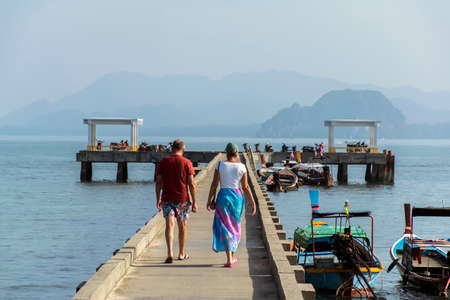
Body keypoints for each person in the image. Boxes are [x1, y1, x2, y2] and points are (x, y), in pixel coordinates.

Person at [206, 143, 256, 268]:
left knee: (223, 226)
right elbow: (245, 186)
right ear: (237, 153)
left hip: (223, 196)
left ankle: (229, 257)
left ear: (226, 153)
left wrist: (209, 199)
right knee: (235, 226)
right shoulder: (242, 167)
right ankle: (232, 257)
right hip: (237, 198)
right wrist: (253, 202)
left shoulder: (220, 165)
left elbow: (214, 184)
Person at [155, 139, 197, 263]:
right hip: (182, 199)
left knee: (169, 225)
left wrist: (158, 199)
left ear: (172, 149)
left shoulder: (163, 162)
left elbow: (158, 183)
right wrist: (194, 201)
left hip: (167, 198)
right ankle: (181, 253)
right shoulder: (187, 162)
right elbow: (192, 184)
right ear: (183, 150)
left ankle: (169, 253)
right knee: (182, 226)